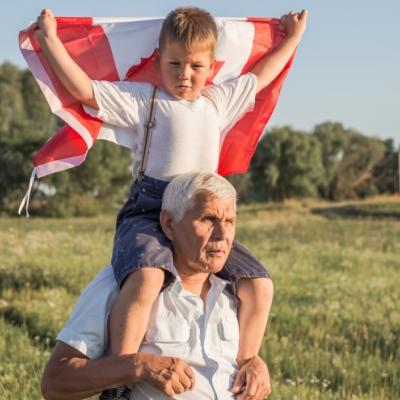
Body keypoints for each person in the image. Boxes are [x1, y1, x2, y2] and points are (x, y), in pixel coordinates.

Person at [35, 6, 306, 398]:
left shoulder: (217, 103)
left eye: (196, 66)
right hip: (149, 210)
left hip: (203, 213)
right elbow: (85, 90)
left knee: (259, 284)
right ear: (159, 59)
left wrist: (292, 40)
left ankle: (245, 361)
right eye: (174, 63)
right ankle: (122, 379)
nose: (184, 75)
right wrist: (51, 41)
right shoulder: (145, 101)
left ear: (211, 66)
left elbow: (260, 77)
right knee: (147, 277)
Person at [41, 172, 273, 400]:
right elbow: (55, 382)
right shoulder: (123, 283)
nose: (222, 235)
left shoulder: (235, 293)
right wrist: (138, 366)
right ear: (169, 224)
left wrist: (254, 363)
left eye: (229, 222)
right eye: (207, 219)